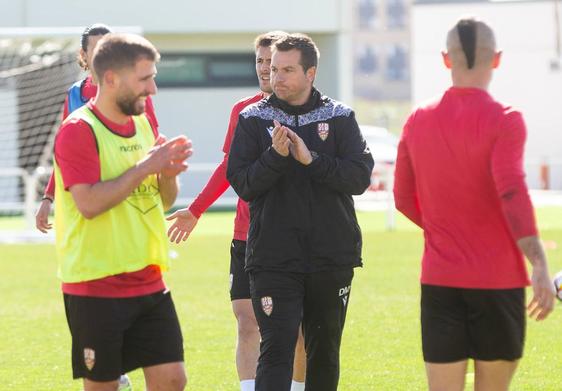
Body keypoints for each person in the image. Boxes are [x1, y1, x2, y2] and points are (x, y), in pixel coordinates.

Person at [393, 17, 555, 391]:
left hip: (439, 280)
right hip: (498, 281)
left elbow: (403, 198)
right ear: (496, 60)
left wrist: (441, 225)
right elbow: (512, 191)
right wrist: (540, 264)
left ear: (446, 60)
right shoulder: (506, 119)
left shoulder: (417, 119)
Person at [227, 33, 374, 391]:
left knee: (324, 352)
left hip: (331, 257)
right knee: (275, 350)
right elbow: (242, 183)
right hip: (273, 260)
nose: (277, 77)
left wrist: (313, 161)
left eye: (288, 70)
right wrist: (274, 158)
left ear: (311, 72)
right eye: (274, 68)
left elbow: (359, 177)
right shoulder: (252, 119)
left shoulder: (340, 116)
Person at [166, 31, 306, 391]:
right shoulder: (242, 112)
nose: (264, 69)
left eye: (270, 63)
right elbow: (229, 167)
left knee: (299, 328)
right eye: (259, 61)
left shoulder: (307, 110)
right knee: (247, 321)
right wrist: (196, 210)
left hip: (293, 236)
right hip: (246, 235)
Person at [53, 33, 192, 391]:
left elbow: (161, 201)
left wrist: (167, 175)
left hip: (149, 280)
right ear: (112, 79)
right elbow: (90, 204)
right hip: (96, 286)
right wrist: (146, 168)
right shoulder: (78, 131)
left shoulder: (143, 125)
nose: (153, 90)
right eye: (145, 79)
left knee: (173, 380)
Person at [35, 23, 159, 234]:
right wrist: (49, 197)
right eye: (98, 48)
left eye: (109, 47)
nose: (106, 54)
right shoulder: (74, 95)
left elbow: (153, 143)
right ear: (84, 55)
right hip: (84, 198)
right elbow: (62, 154)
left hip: (129, 196)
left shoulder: (135, 91)